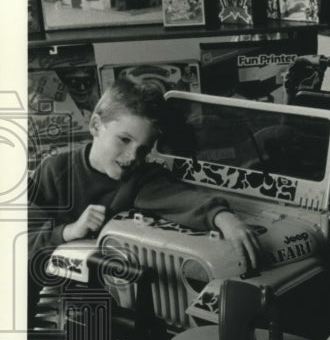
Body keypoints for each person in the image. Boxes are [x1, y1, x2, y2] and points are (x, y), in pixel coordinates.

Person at [28, 77, 260, 319]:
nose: (131, 156)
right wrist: (69, 231)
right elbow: (17, 235)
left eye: (144, 149)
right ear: (96, 125)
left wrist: (225, 219)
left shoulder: (141, 178)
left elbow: (182, 198)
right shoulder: (54, 170)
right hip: (53, 287)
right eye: (124, 140)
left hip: (110, 293)